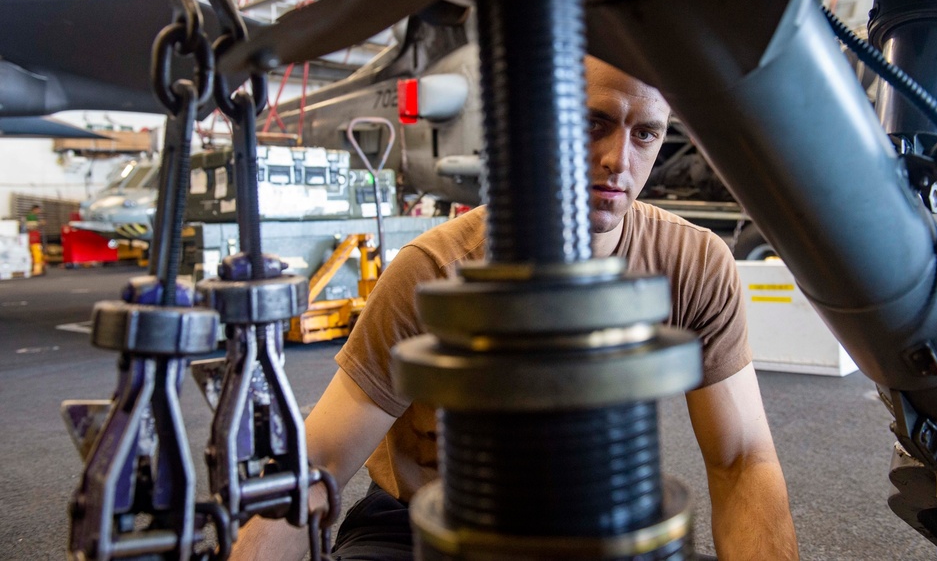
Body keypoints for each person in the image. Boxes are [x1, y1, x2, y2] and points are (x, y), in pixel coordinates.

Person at [232, 57, 799, 560]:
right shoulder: (435, 270)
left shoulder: (696, 263)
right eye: (594, 123)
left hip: (598, 522)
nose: (617, 160)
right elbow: (320, 462)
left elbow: (742, 459)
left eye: (646, 134)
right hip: (426, 523)